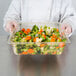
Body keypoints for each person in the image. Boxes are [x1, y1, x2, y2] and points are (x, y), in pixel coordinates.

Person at [3, 0, 76, 36]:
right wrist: (10, 23)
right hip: (25, 43)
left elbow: (70, 16)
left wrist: (68, 24)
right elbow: (11, 16)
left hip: (55, 45)